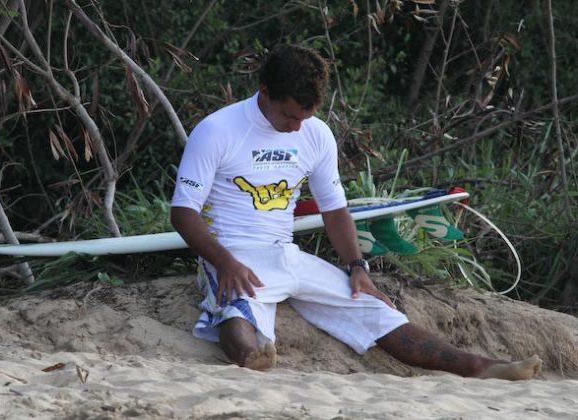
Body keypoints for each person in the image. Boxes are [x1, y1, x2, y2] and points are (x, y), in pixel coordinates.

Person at [170, 44, 542, 379]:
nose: (297, 126)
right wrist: (225, 262)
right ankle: (252, 358)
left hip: (287, 253)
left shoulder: (315, 134)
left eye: (306, 116)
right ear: (264, 92)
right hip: (234, 251)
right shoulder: (217, 131)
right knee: (236, 311)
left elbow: (334, 209)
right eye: (289, 116)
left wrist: (357, 266)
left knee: (374, 308)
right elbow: (183, 213)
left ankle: (478, 367)